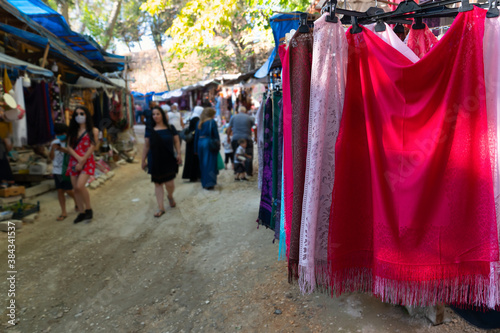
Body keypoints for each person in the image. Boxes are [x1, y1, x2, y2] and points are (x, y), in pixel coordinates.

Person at [142, 106, 182, 217]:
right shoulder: (149, 129)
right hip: (154, 159)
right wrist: (143, 160)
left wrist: (178, 153)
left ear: (162, 115)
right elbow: (146, 146)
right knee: (158, 183)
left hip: (168, 158)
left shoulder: (170, 128)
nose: (155, 116)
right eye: (153, 114)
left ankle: (170, 196)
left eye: (158, 114)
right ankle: (161, 208)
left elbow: (176, 141)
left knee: (170, 183)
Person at [66, 106, 99, 224]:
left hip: (87, 161)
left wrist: (82, 160)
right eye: (76, 114)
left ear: (87, 115)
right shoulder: (72, 131)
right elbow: (69, 147)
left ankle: (88, 208)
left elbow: (93, 146)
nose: (79, 116)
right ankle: (81, 212)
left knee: (80, 186)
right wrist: (78, 158)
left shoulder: (94, 131)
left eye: (82, 113)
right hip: (74, 160)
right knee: (75, 188)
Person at [50, 123, 75, 221]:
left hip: (68, 170)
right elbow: (51, 158)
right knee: (60, 190)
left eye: (62, 133)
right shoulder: (54, 142)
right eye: (58, 134)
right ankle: (63, 212)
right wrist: (53, 148)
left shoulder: (71, 142)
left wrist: (60, 148)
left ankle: (76, 201)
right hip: (57, 170)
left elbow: (72, 153)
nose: (60, 135)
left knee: (69, 190)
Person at [194, 107, 220, 190]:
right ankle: (210, 183)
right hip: (209, 143)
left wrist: (195, 149)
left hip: (200, 143)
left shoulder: (199, 122)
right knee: (210, 163)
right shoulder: (212, 122)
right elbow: (215, 135)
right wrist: (218, 145)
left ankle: (204, 182)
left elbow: (196, 137)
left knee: (202, 164)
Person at [227, 105, 256, 176]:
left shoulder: (233, 117)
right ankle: (248, 172)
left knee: (237, 154)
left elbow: (229, 128)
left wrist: (228, 137)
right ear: (245, 111)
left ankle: (237, 170)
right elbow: (255, 127)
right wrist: (255, 137)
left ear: (238, 111)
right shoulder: (249, 118)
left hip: (236, 138)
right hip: (247, 138)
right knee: (249, 154)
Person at [182, 106, 203, 182]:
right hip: (194, 141)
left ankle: (193, 175)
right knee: (194, 158)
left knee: (192, 158)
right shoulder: (196, 119)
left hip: (191, 141)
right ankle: (194, 175)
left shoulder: (193, 118)